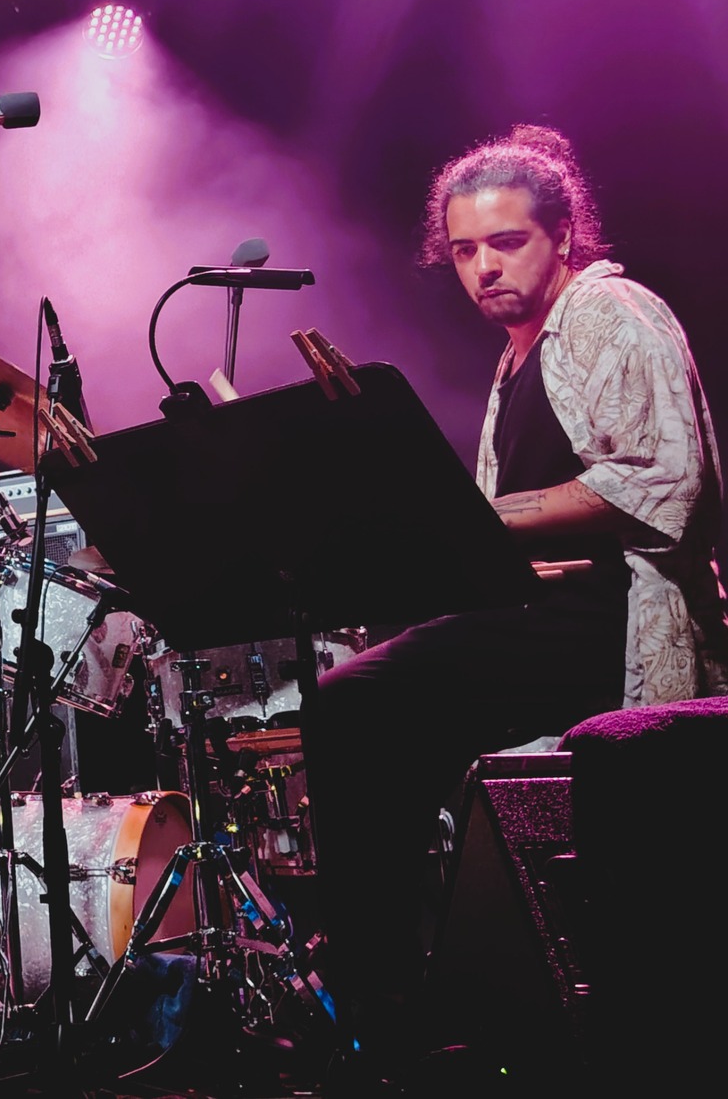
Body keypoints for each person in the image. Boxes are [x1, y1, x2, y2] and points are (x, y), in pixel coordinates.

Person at [301, 125, 725, 1083]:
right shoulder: (517, 357)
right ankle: (439, 987)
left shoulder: (610, 311)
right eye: (463, 250)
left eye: (506, 242)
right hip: (546, 620)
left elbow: (662, 484)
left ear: (562, 235)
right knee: (369, 700)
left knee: (354, 704)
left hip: (615, 623)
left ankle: (384, 1004)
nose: (483, 267)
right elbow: (505, 538)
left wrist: (462, 522)